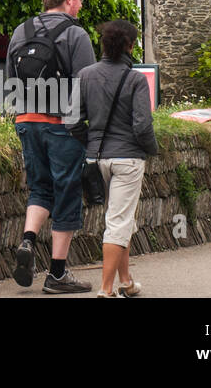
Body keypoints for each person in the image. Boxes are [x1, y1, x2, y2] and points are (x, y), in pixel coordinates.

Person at [6, 0, 97, 294]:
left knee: (40, 187)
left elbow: (9, 82)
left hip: (26, 121)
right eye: (80, 0)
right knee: (67, 193)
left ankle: (28, 241)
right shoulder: (76, 35)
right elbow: (87, 85)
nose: (81, 6)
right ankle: (57, 273)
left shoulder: (21, 31)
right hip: (62, 125)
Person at [78, 18, 159, 298]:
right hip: (127, 159)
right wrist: (152, 149)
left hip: (96, 159)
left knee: (119, 219)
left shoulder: (85, 75)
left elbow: (72, 122)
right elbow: (142, 126)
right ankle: (105, 290)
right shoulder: (135, 79)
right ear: (130, 45)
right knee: (119, 223)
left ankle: (126, 282)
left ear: (103, 44)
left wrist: (90, 143)